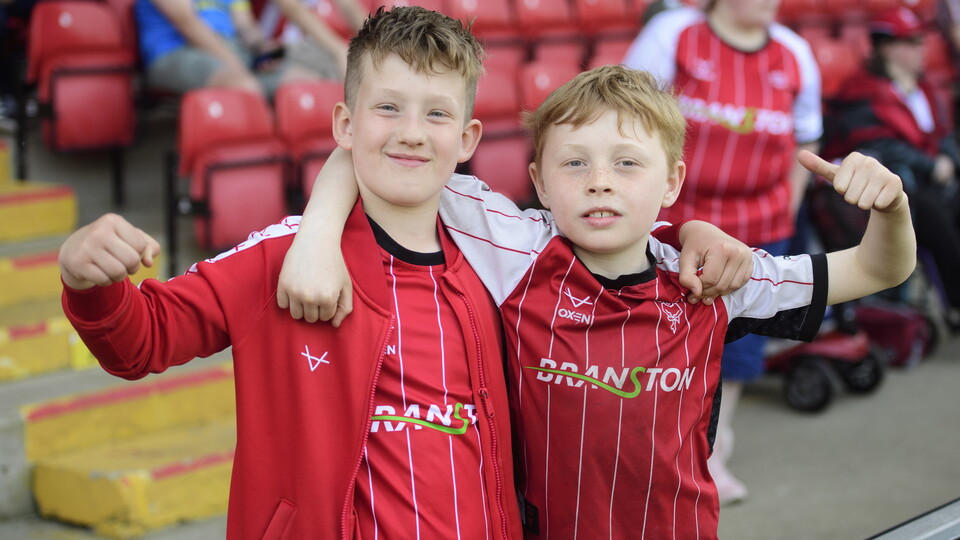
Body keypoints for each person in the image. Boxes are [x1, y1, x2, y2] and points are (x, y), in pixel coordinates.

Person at [278, 64, 916, 538]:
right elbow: (384, 155)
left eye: (627, 164)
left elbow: (877, 267)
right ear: (538, 183)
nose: (600, 181)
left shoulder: (715, 280)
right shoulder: (515, 250)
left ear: (672, 181)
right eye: (575, 164)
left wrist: (891, 207)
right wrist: (316, 235)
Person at [60, 7, 528, 537]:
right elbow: (141, 340)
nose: (412, 133)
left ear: (468, 138)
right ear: (345, 125)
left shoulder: (501, 266)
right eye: (388, 107)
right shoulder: (282, 257)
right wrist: (87, 279)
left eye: (437, 114)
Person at [622, 0, 824, 504]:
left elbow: (807, 140)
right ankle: (650, 451)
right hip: (676, 226)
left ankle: (714, 451)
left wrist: (785, 210)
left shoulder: (795, 53)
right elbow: (625, 115)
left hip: (759, 227)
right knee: (662, 340)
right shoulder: (674, 34)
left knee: (739, 347)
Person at [826, 6, 960, 326]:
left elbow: (945, 133)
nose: (921, 48)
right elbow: (877, 145)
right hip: (899, 189)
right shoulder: (861, 91)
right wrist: (931, 166)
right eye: (911, 42)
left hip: (933, 182)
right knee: (935, 218)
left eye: (921, 41)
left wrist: (947, 159)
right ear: (886, 47)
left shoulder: (925, 88)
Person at [135, 0, 320, 98]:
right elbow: (188, 24)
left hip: (230, 49)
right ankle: (264, 154)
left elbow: (245, 25)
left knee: (308, 82)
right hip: (174, 51)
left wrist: (262, 49)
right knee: (245, 86)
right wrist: (237, 65)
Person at [259, 0, 367, 80]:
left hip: (314, 46)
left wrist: (372, 42)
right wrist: (339, 52)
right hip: (280, 47)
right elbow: (291, 7)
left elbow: (348, 5)